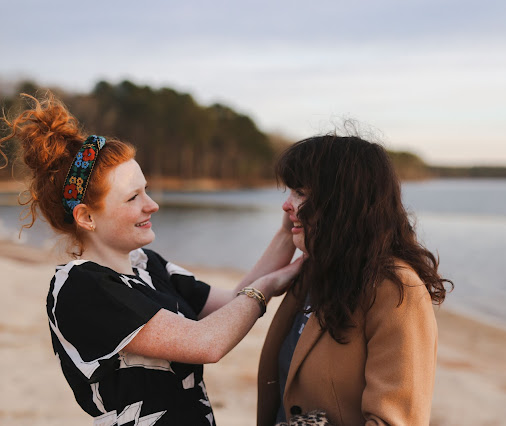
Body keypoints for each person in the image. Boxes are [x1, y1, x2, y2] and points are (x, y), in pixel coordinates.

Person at [0, 93, 299, 426]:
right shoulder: (80, 287)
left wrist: (289, 231)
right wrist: (269, 286)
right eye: (133, 198)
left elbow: (232, 304)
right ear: (86, 217)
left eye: (146, 190)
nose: (152, 205)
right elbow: (208, 343)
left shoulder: (147, 264)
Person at [257, 135, 452, 425]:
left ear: (340, 202)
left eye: (300, 192)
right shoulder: (314, 272)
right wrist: (289, 238)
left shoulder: (396, 290)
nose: (286, 206)